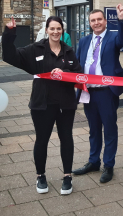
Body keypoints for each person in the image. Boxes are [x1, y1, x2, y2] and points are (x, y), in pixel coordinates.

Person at [2, 16, 82, 195]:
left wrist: (65, 72)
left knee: (66, 139)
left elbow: (78, 74)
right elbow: (9, 56)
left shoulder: (69, 51)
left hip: (65, 105)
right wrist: (9, 33)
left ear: (62, 31)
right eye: (52, 28)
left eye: (58, 29)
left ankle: (67, 176)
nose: (55, 32)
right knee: (41, 140)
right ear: (46, 30)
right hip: (42, 105)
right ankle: (41, 176)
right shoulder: (35, 49)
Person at [72, 6, 123, 183]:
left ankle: (108, 165)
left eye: (99, 19)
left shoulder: (113, 37)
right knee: (94, 130)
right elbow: (76, 63)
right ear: (89, 24)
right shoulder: (83, 41)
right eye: (93, 20)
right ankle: (93, 161)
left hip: (106, 92)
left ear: (105, 21)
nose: (96, 23)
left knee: (110, 129)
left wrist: (121, 19)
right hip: (88, 92)